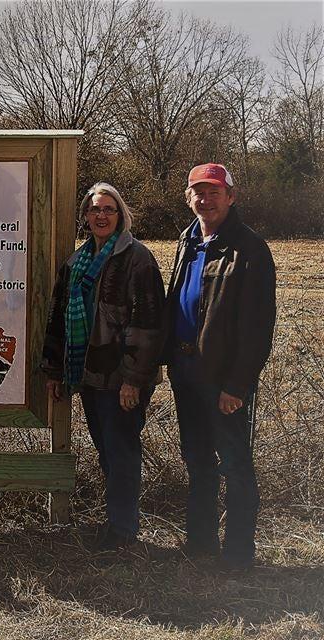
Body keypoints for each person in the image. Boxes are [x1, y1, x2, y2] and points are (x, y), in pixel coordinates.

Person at [165, 163, 276, 571]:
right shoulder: (187, 240)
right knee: (196, 458)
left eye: (214, 191)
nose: (205, 198)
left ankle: (239, 552)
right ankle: (201, 541)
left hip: (223, 377)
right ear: (188, 197)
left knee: (234, 463)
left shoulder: (249, 248)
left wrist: (238, 384)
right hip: (185, 368)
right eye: (198, 191)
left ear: (231, 196)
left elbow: (258, 326)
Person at [42, 182, 165, 551]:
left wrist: (134, 380)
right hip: (90, 375)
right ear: (85, 217)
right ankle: (118, 522)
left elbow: (149, 323)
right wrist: (55, 370)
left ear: (121, 214)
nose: (101, 215)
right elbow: (59, 318)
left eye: (109, 209)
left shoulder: (137, 258)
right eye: (95, 209)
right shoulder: (76, 263)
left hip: (121, 378)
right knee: (106, 449)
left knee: (121, 449)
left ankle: (124, 531)